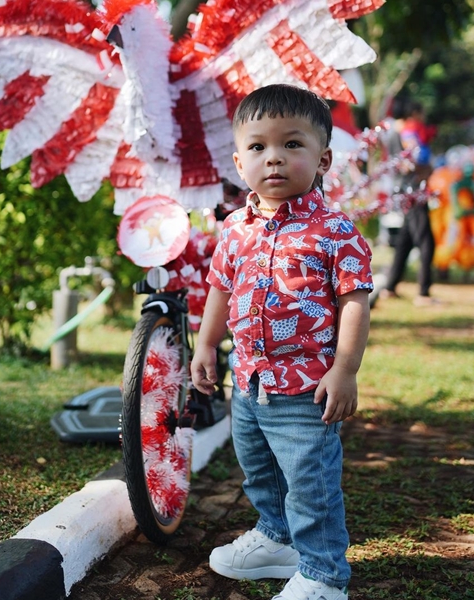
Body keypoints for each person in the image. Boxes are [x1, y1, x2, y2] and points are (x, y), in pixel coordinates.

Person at [191, 83, 373, 600]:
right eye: (258, 147)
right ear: (238, 160)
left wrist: (345, 368)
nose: (273, 158)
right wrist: (206, 345)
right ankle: (277, 539)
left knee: (310, 483)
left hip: (305, 389)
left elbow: (354, 302)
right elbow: (221, 289)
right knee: (260, 471)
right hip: (248, 381)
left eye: (292, 144)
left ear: (323, 159)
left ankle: (323, 575)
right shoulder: (234, 230)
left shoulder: (335, 231)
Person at [377, 97, 438, 306]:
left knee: (406, 240)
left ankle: (390, 286)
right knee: (426, 240)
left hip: (403, 190)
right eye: (421, 114)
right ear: (413, 113)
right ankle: (423, 292)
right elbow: (410, 163)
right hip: (411, 191)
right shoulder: (407, 132)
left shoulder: (394, 132)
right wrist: (427, 168)